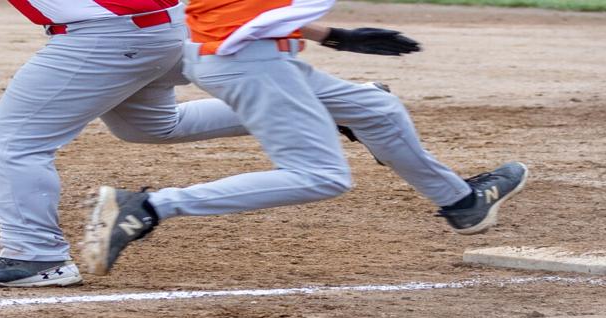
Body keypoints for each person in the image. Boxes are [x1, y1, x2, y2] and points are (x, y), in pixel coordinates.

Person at [0, 0, 414, 288]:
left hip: (109, 36)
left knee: (12, 140)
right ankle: (343, 106)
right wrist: (326, 33)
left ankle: (35, 257)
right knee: (148, 126)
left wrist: (323, 32)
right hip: (170, 26)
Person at [82, 0, 529, 277]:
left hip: (248, 54)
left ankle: (461, 202)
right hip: (249, 64)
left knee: (376, 108)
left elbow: (252, 10)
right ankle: (148, 208)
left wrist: (336, 36)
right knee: (322, 176)